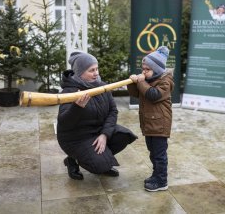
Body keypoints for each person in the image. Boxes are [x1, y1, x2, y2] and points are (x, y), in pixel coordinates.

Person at [57, 51, 138, 180]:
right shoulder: (69, 91)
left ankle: (101, 159)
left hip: (97, 131)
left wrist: (104, 135)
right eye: (91, 70)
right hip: (76, 138)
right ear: (80, 72)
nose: (96, 73)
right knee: (100, 166)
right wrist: (77, 107)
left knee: (124, 135)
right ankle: (73, 160)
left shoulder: (102, 86)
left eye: (97, 69)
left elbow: (113, 111)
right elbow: (64, 123)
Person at [127, 46, 174, 192]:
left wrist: (141, 82)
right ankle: (156, 175)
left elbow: (153, 95)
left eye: (147, 69)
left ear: (157, 70)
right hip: (150, 123)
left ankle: (162, 181)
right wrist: (132, 83)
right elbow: (138, 93)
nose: (144, 71)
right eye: (143, 68)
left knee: (159, 155)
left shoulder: (165, 82)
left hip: (160, 125)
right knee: (152, 152)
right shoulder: (149, 79)